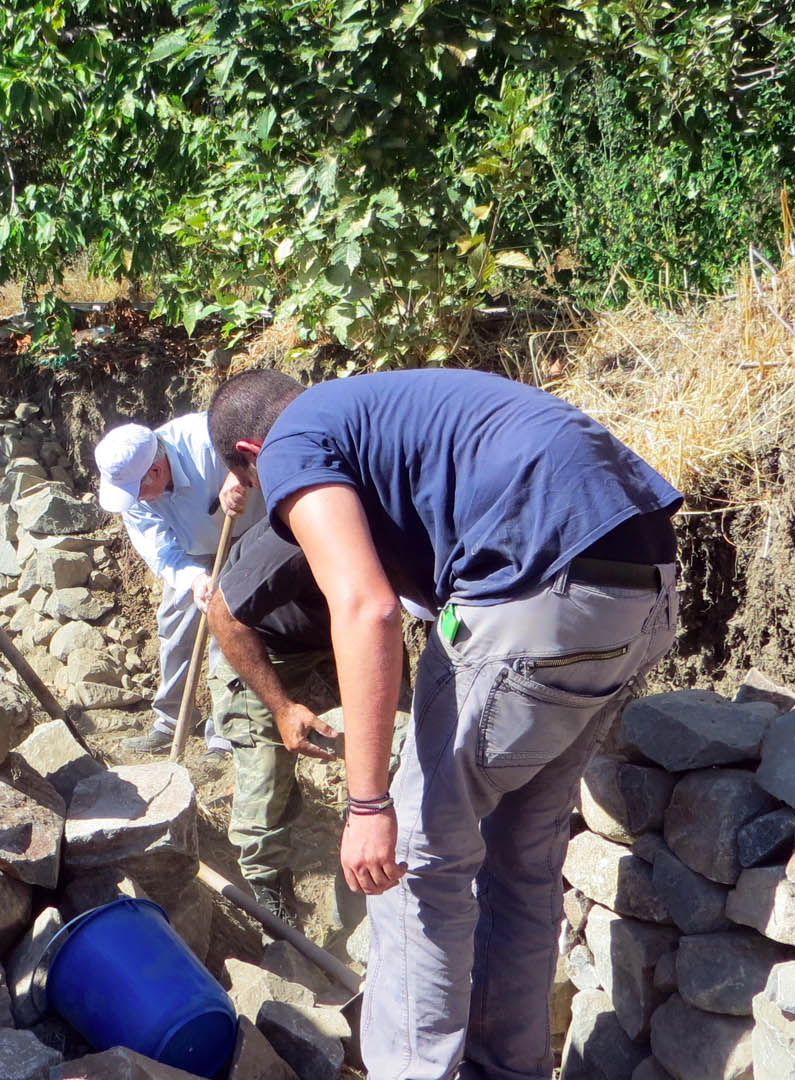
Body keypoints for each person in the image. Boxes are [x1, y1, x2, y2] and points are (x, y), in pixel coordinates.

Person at [208, 368, 683, 1080]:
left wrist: (370, 804)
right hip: (642, 592)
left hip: (533, 596)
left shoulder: (291, 442)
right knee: (520, 857)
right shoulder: (375, 409)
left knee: (406, 865)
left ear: (250, 449)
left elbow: (366, 606)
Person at [203, 517, 343, 919]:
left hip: (330, 642)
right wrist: (282, 708)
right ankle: (267, 898)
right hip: (257, 650)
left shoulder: (386, 522)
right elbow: (224, 617)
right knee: (266, 777)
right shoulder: (297, 537)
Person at [95, 415, 256, 758]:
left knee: (227, 630)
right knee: (174, 624)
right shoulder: (133, 493)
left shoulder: (208, 437)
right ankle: (171, 723)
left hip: (251, 535)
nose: (135, 500)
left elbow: (270, 436)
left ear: (155, 470)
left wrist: (240, 471)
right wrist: (195, 579)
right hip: (189, 554)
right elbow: (160, 550)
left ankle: (225, 734)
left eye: (137, 491)